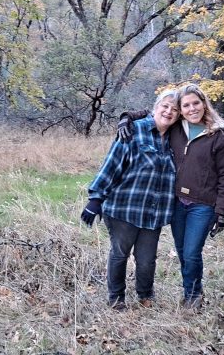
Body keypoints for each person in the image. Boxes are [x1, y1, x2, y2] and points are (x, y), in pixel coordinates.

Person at [118, 84, 224, 309]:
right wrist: (126, 118)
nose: (192, 109)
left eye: (196, 103)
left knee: (192, 252)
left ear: (204, 103)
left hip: (203, 205)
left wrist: (222, 212)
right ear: (181, 109)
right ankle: (188, 289)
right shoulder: (176, 128)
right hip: (177, 203)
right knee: (182, 251)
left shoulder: (220, 135)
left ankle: (194, 295)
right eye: (186, 105)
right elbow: (154, 111)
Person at [80, 89, 180, 311]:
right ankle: (116, 298)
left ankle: (145, 295)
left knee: (147, 260)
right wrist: (95, 199)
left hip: (154, 212)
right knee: (119, 254)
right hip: (125, 208)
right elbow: (112, 163)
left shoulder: (176, 138)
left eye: (175, 109)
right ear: (155, 107)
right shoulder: (134, 130)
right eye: (165, 106)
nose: (169, 111)